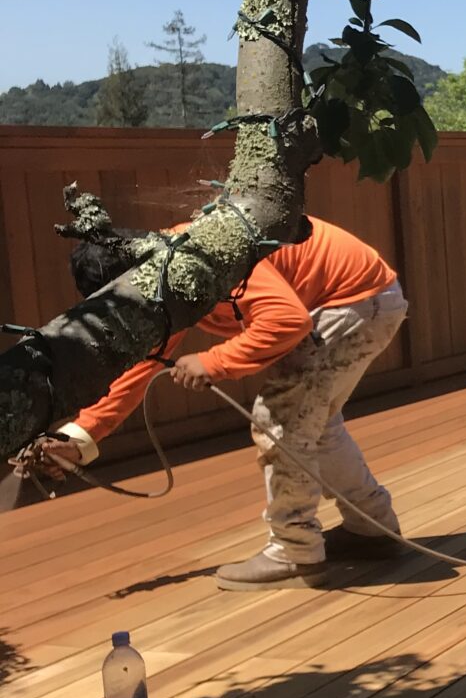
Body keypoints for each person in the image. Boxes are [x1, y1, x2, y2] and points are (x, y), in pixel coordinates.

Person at [31, 218, 409, 591]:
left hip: (356, 300)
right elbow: (144, 364)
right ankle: (372, 528)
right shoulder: (163, 270)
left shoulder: (209, 255)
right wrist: (79, 439)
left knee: (280, 419)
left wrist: (212, 362)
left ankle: (295, 552)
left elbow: (286, 320)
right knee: (313, 424)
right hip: (364, 299)